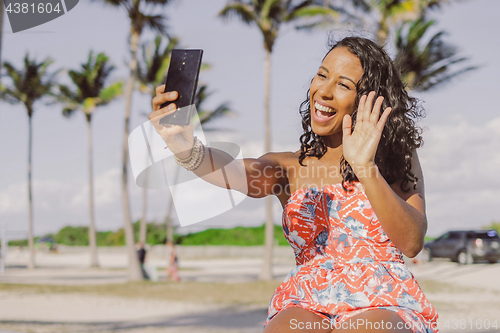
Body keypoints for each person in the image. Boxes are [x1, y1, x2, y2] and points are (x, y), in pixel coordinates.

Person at [149, 37, 438, 333]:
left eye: (343, 85)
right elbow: (236, 172)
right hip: (307, 299)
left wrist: (365, 168)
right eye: (322, 75)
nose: (323, 91)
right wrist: (186, 148)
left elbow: (411, 242)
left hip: (385, 300)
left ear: (368, 99)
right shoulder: (289, 168)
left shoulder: (396, 160)